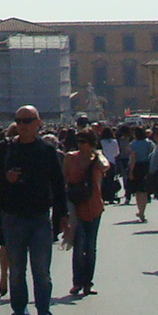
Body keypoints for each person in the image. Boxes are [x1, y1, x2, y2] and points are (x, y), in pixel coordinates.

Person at [0, 106, 67, 315]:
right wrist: (5, 178)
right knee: (17, 270)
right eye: (19, 120)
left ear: (38, 122)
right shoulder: (5, 149)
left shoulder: (47, 151)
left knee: (41, 271)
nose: (23, 124)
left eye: (28, 120)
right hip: (12, 216)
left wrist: (62, 216)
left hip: (40, 217)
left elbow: (59, 186)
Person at [63, 127, 107, 296]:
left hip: (94, 205)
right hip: (76, 206)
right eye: (78, 141)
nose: (80, 145)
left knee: (91, 246)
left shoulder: (97, 159)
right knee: (79, 244)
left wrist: (97, 154)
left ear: (91, 143)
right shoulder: (70, 158)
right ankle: (77, 282)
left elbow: (106, 166)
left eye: (84, 142)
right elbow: (64, 179)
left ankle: (88, 282)